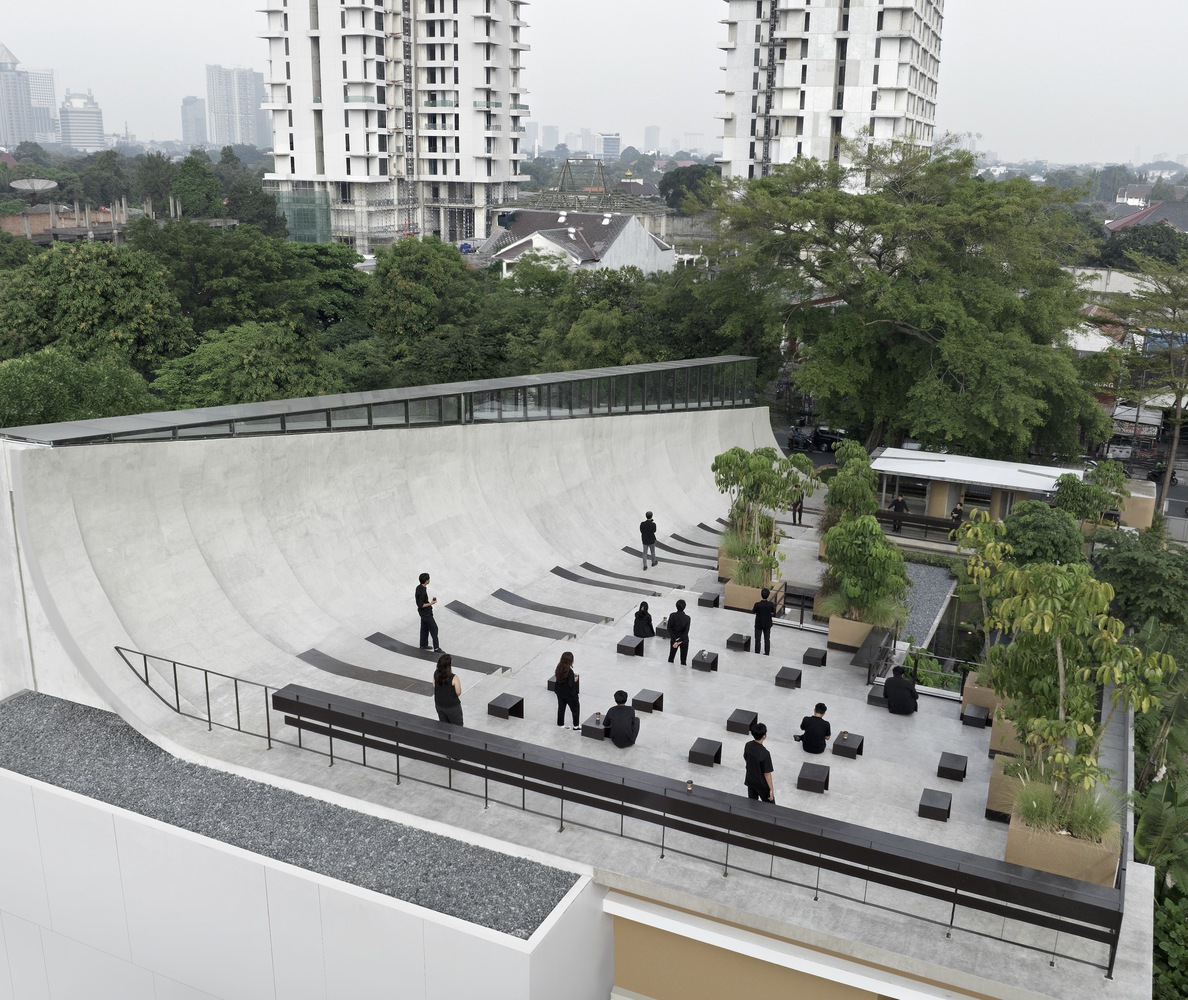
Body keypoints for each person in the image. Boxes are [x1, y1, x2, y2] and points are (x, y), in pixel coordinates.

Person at [743, 722, 774, 802]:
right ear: (764, 736)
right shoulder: (765, 753)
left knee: (752, 804)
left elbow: (745, 757)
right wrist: (771, 789)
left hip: (750, 780)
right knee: (771, 807)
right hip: (762, 785)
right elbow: (767, 773)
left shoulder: (748, 745)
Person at [553, 651, 581, 730]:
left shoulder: (559, 668)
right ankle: (576, 726)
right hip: (569, 695)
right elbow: (570, 685)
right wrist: (575, 680)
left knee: (561, 708)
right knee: (575, 709)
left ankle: (561, 724)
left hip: (560, 692)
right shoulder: (570, 672)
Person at [433, 654, 463, 725]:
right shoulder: (453, 678)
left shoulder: (436, 673)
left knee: (444, 726)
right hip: (452, 706)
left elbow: (434, 685)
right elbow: (458, 692)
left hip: (439, 704)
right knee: (457, 727)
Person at [415, 572, 441, 652]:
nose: (429, 580)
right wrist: (431, 603)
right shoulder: (422, 591)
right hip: (426, 613)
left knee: (424, 628)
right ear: (426, 581)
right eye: (428, 579)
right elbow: (421, 605)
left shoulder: (419, 587)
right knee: (434, 629)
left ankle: (423, 645)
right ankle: (436, 648)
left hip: (422, 613)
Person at [752, 588, 776, 656]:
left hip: (759, 624)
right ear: (768, 595)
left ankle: (757, 653)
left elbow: (753, 611)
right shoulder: (771, 604)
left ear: (761, 595)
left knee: (757, 639)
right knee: (767, 639)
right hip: (767, 624)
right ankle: (767, 653)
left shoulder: (757, 604)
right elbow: (773, 613)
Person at [666, 598, 691, 665]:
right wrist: (680, 640)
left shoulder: (672, 615)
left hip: (674, 639)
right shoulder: (687, 618)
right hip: (684, 640)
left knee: (671, 657)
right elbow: (686, 632)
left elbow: (669, 628)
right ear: (684, 607)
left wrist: (675, 640)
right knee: (683, 660)